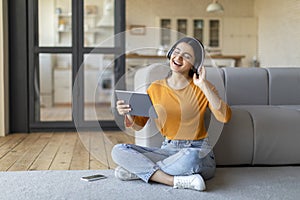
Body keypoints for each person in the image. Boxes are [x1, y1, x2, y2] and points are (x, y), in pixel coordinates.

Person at [112, 37, 231, 191]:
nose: (179, 58)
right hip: (168, 151)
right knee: (118, 150)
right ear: (170, 54)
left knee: (192, 158)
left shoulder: (204, 88)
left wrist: (202, 84)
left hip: (197, 150)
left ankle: (140, 172)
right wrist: (128, 113)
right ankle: (173, 180)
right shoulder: (155, 88)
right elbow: (138, 126)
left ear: (195, 65)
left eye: (187, 56)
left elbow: (224, 117)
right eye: (176, 52)